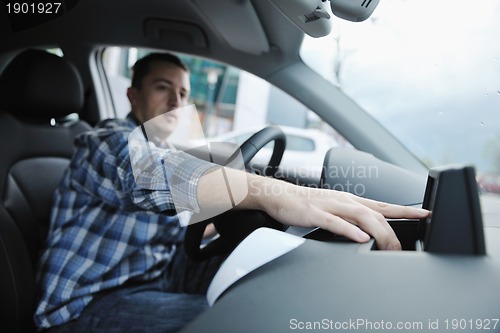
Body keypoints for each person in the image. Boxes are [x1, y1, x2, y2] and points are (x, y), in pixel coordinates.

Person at [34, 52, 429, 333]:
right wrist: (272, 194)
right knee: (249, 319)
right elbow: (144, 173)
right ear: (133, 96)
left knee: (274, 277)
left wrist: (257, 221)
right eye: (162, 87)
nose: (176, 101)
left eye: (184, 93)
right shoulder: (103, 141)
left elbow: (172, 225)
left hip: (157, 275)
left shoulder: (166, 147)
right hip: (86, 305)